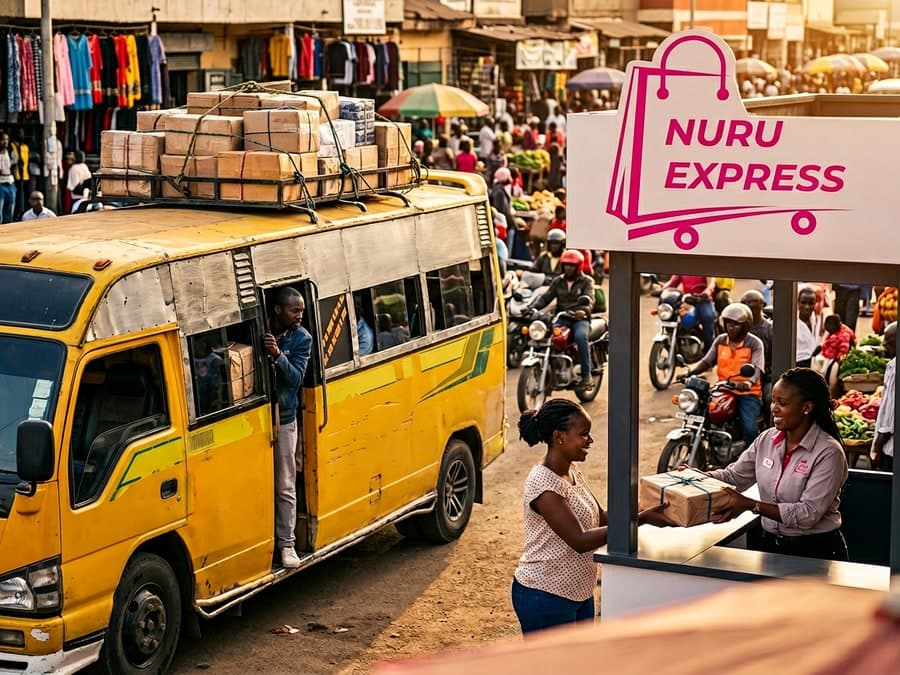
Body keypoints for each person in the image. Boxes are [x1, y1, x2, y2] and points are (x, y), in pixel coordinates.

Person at [512, 399, 670, 634]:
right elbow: (580, 540)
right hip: (545, 594)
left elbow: (601, 517)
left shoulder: (571, 471)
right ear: (559, 436)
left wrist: (644, 506)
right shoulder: (543, 484)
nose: (590, 441)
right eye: (584, 434)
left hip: (578, 592)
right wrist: (642, 520)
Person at [708, 368, 849, 561]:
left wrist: (751, 505)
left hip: (815, 551)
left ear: (806, 407)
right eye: (773, 401)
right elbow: (733, 477)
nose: (773, 408)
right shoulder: (766, 439)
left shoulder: (829, 453)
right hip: (770, 546)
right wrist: (696, 477)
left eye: (782, 403)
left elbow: (807, 514)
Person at [264, 287, 312, 569]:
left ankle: (287, 545)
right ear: (278, 310)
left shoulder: (302, 338)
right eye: (295, 310)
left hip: (284, 420)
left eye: (302, 311)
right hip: (255, 420)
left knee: (285, 485)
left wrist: (278, 354)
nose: (299, 316)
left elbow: (295, 379)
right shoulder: (262, 328)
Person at [683, 303, 765, 443]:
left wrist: (747, 382)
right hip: (723, 389)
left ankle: (752, 458)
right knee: (701, 414)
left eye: (735, 324)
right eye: (728, 323)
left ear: (745, 326)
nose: (731, 327)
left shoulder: (754, 343)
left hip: (747, 393)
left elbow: (757, 368)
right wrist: (690, 372)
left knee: (750, 429)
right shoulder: (721, 340)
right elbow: (707, 361)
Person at [527, 250, 595, 387]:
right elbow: (546, 297)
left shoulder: (587, 281)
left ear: (579, 266)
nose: (568, 268)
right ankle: (552, 368)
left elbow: (590, 300)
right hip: (562, 317)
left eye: (572, 265)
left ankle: (587, 376)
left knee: (581, 337)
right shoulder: (558, 281)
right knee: (546, 335)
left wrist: (584, 311)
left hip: (579, 319)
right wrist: (531, 307)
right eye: (566, 265)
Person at [664, 274, 717, 351]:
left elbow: (711, 284)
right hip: (687, 300)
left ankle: (709, 350)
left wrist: (706, 293)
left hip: (702, 300)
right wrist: (662, 289)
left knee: (707, 317)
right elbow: (672, 283)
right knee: (672, 315)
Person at [871, 322, 897, 472]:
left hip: (890, 450)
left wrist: (876, 448)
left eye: (889, 342)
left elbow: (889, 422)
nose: (884, 345)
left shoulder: (895, 368)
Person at [796, 286, 822, 367]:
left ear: (815, 304)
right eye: (803, 303)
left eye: (811, 303)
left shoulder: (817, 319)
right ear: (798, 303)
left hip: (815, 363)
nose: (807, 307)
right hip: (797, 365)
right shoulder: (792, 323)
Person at [0, 133, 19, 224]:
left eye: (7, 139)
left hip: (10, 183)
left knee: (9, 212)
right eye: (3, 139)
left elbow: (15, 163)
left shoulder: (10, 151)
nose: (5, 142)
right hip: (0, 184)